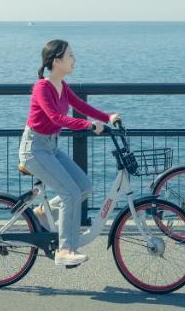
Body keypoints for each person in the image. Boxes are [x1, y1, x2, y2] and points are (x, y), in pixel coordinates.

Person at [19, 39, 120, 267]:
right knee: (70, 193)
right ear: (57, 61)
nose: (74, 59)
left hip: (51, 147)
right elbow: (56, 117)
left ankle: (43, 214)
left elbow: (81, 107)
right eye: (70, 56)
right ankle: (65, 250)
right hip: (34, 149)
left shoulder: (62, 86)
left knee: (83, 186)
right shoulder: (42, 88)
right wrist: (88, 125)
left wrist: (107, 117)